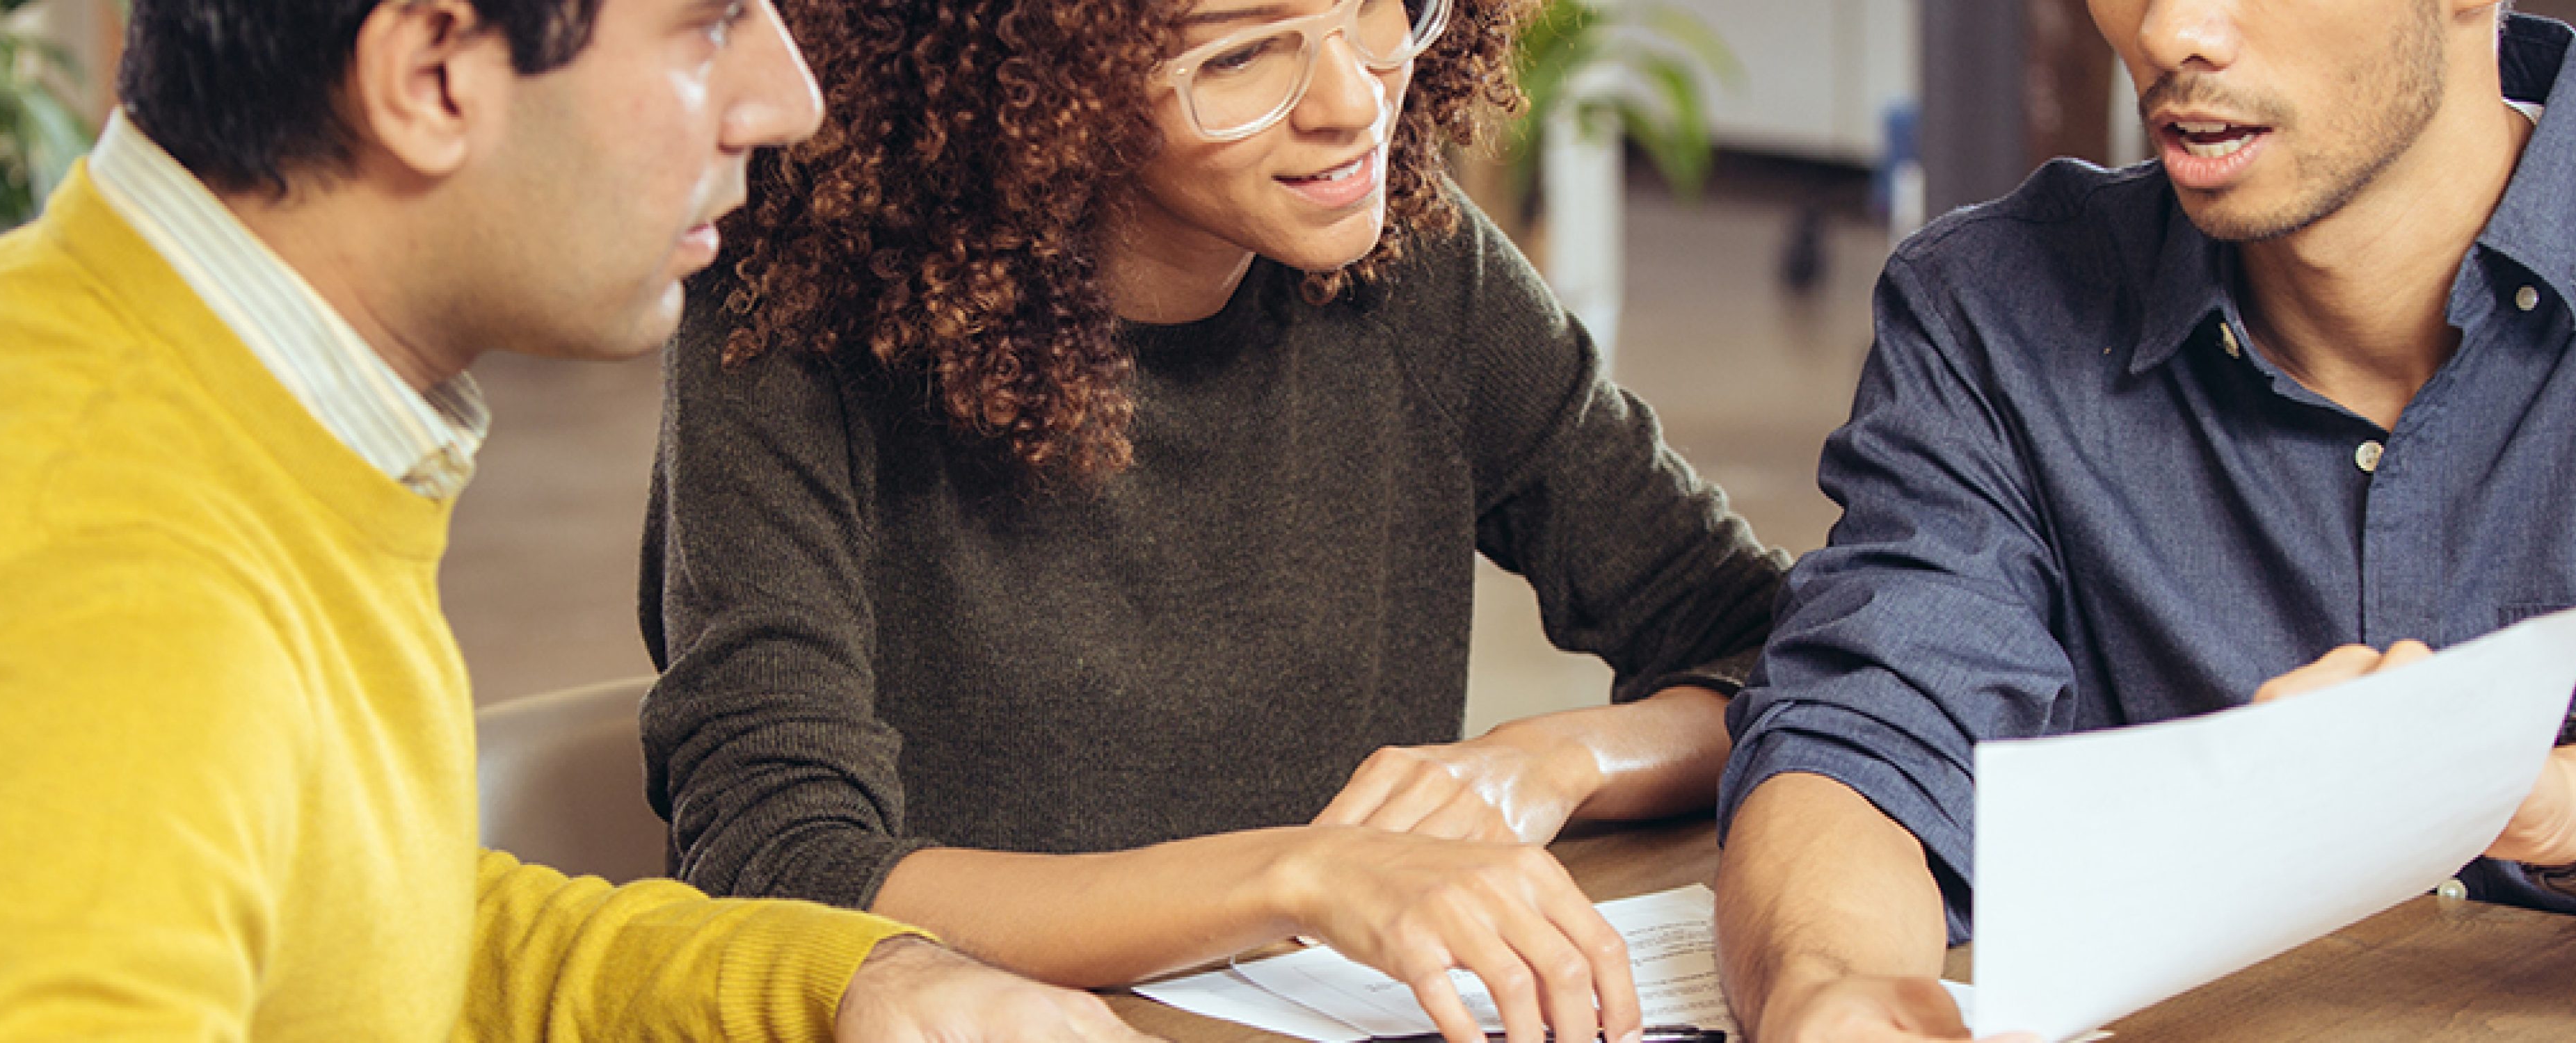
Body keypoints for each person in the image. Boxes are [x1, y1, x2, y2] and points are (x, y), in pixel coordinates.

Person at [0, 0, 1145, 1039]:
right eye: (707, 22)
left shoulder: (129, 366)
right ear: (428, 76)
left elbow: (348, 929)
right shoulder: (98, 564)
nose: (789, 98)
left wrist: (854, 984)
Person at [1711, 2, 2576, 1039]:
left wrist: (2552, 798)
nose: (2173, 34)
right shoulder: (1990, 309)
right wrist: (1827, 990)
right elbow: (1866, 735)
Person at [637, 1, 1788, 1041]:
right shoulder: (795, 322)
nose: (1354, 102)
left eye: (1378, 10)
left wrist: (1555, 759)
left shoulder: (1422, 275)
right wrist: (1301, 877)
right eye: (1241, 55)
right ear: (1043, 88)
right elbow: (782, 869)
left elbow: (1782, 652)